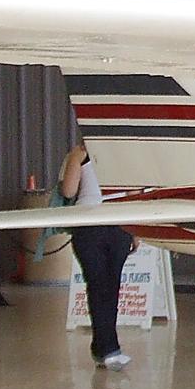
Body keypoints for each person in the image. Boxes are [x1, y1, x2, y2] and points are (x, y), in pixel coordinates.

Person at [60, 141, 132, 370]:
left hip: (90, 226)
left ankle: (105, 347)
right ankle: (108, 347)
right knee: (109, 287)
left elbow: (68, 191)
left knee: (100, 286)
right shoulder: (124, 155)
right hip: (118, 225)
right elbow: (132, 195)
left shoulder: (79, 154)